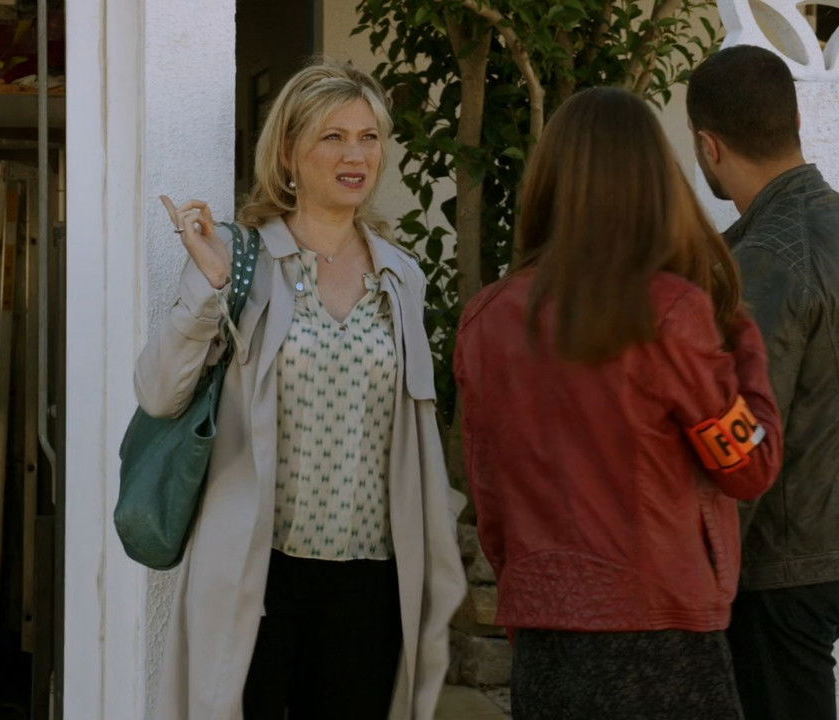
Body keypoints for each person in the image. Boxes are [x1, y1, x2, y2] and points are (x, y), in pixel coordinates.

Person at [135, 60, 466, 720]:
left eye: (369, 137)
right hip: (259, 573)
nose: (355, 156)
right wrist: (208, 290)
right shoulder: (242, 259)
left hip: (371, 576)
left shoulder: (401, 276)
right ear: (288, 152)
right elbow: (158, 394)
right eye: (332, 137)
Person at [454, 87, 782, 720]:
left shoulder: (486, 318)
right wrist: (742, 341)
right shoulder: (674, 311)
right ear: (653, 182)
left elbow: (490, 497)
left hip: (546, 628)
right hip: (662, 628)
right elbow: (748, 466)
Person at [686, 45, 839, 720]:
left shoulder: (763, 257)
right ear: (793, 121)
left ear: (708, 145)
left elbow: (743, 432)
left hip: (782, 566)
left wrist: (701, 574)